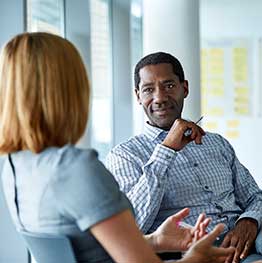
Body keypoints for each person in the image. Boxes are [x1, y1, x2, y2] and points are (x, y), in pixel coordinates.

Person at [0, 33, 234, 263]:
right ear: (70, 90)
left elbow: (86, 250)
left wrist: (155, 240)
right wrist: (196, 258)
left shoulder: (15, 165)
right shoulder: (76, 168)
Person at [106, 51, 262, 263]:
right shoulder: (125, 155)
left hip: (247, 242)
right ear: (138, 96)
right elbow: (134, 226)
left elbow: (255, 197)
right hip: (191, 254)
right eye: (148, 89)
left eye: (169, 85)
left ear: (185, 88)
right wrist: (166, 150)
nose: (160, 97)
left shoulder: (216, 143)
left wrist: (249, 221)